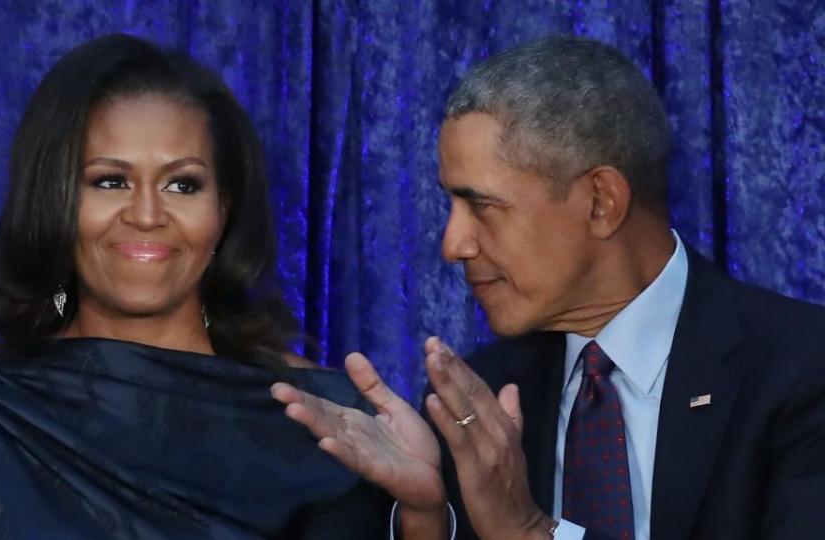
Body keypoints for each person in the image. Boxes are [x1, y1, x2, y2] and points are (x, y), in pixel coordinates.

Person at [272, 36, 825, 540]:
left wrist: (528, 531)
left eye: (482, 206)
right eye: (450, 205)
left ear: (600, 202)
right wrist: (425, 518)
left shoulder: (802, 370)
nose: (453, 244)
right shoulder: (477, 402)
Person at [0, 34, 388, 539]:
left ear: (222, 212)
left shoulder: (328, 423)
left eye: (182, 184)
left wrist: (429, 519)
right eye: (109, 181)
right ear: (55, 201)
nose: (146, 215)